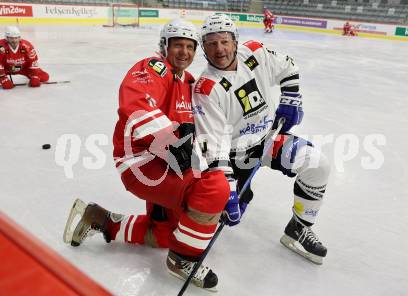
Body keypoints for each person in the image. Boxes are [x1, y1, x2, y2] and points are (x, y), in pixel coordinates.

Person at [63, 19, 229, 291]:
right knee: (212, 187)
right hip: (142, 163)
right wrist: (172, 143)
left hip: (170, 164)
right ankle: (182, 260)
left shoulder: (187, 81)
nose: (184, 52)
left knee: (164, 234)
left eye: (190, 46)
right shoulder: (154, 68)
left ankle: (100, 219)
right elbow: (136, 104)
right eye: (178, 45)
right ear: (165, 46)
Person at [192, 14, 331, 265]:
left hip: (268, 139)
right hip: (234, 155)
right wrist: (229, 188)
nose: (219, 49)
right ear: (203, 48)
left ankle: (298, 229)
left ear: (235, 41)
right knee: (226, 212)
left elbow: (289, 67)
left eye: (224, 41)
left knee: (317, 164)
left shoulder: (255, 52)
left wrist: (291, 97)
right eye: (211, 43)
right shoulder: (206, 89)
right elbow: (213, 145)